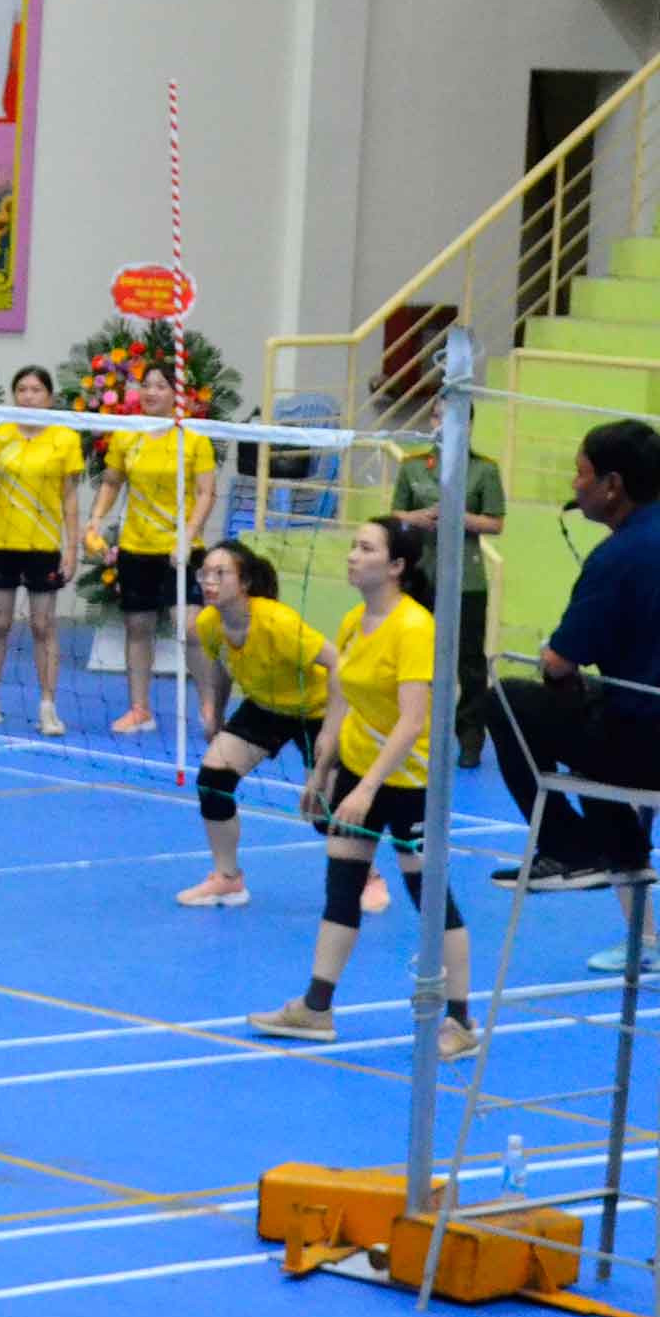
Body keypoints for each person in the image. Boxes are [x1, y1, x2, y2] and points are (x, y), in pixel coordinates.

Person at [247, 519, 482, 1060]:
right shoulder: (355, 620)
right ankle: (316, 1008)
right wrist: (322, 768)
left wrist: (368, 789)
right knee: (342, 886)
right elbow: (342, 698)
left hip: (410, 780)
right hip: (357, 768)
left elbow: (412, 721)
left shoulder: (415, 627)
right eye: (353, 546)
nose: (352, 555)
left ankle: (460, 1019)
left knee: (430, 898)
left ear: (396, 566)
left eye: (366, 548)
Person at [489, 419, 660, 973]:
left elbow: (560, 662)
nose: (574, 484)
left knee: (508, 700)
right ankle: (630, 882)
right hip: (636, 716)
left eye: (581, 473)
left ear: (612, 485)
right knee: (592, 719)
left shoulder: (617, 558)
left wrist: (555, 665)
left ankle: (567, 846)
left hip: (645, 744)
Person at [178, 539, 332, 909]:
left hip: (318, 709)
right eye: (205, 574)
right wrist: (214, 712)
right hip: (265, 706)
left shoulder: (277, 622)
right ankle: (228, 879)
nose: (209, 582)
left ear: (244, 582)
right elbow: (219, 667)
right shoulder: (209, 623)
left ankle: (367, 878)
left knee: (323, 809)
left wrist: (332, 731)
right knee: (213, 781)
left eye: (220, 574)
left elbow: (338, 664)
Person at [0, 367, 84, 736]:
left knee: (43, 625)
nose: (28, 396)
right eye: (22, 389)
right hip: (1, 545)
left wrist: (71, 547)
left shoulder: (65, 439)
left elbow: (70, 497)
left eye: (36, 389)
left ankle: (48, 707)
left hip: (44, 547)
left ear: (49, 396)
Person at [87, 407, 218, 735]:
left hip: (181, 550)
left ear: (175, 394)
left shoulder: (194, 439)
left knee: (190, 627)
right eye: (147, 385)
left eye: (161, 386)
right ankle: (140, 710)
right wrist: (96, 518)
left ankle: (210, 707)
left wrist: (187, 536)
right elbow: (112, 481)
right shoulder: (127, 434)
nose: (152, 391)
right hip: (135, 548)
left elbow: (206, 493)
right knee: (137, 627)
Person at [390, 395, 505, 768]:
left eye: (452, 418)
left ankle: (469, 737)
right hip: (420, 574)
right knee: (414, 656)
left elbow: (495, 523)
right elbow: (395, 514)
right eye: (437, 416)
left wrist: (460, 516)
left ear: (468, 425)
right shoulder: (412, 466)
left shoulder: (484, 470)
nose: (442, 424)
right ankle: (412, 732)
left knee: (468, 663)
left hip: (466, 579)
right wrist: (416, 518)